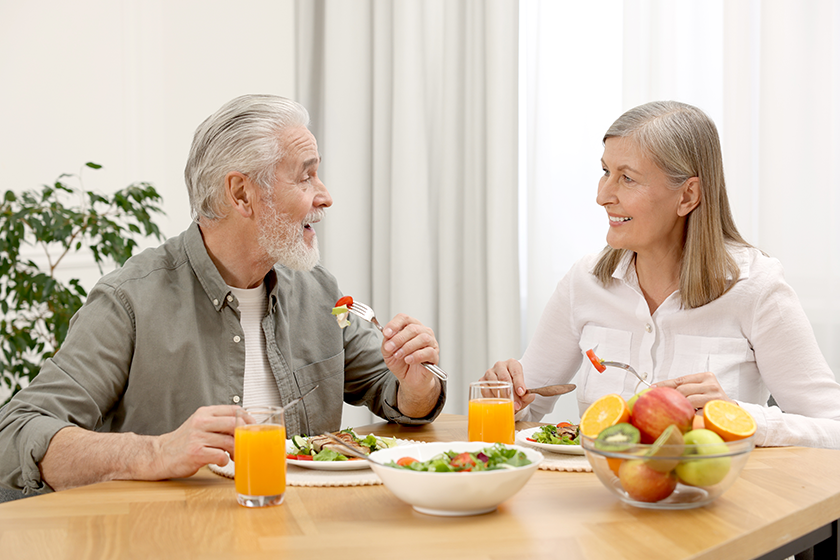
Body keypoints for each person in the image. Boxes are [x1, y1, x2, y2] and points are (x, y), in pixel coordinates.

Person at [0, 94, 446, 495]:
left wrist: (417, 381)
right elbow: (15, 434)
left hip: (305, 534)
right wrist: (156, 453)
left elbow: (395, 395)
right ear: (241, 194)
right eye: (306, 178)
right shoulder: (129, 301)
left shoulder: (319, 292)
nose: (325, 196)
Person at [483, 100, 840, 449]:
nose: (603, 196)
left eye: (627, 178)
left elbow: (832, 428)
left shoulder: (756, 287)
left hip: (715, 501)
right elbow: (526, 405)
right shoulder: (585, 281)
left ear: (687, 196)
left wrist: (737, 417)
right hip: (602, 499)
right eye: (606, 171)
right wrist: (501, 397)